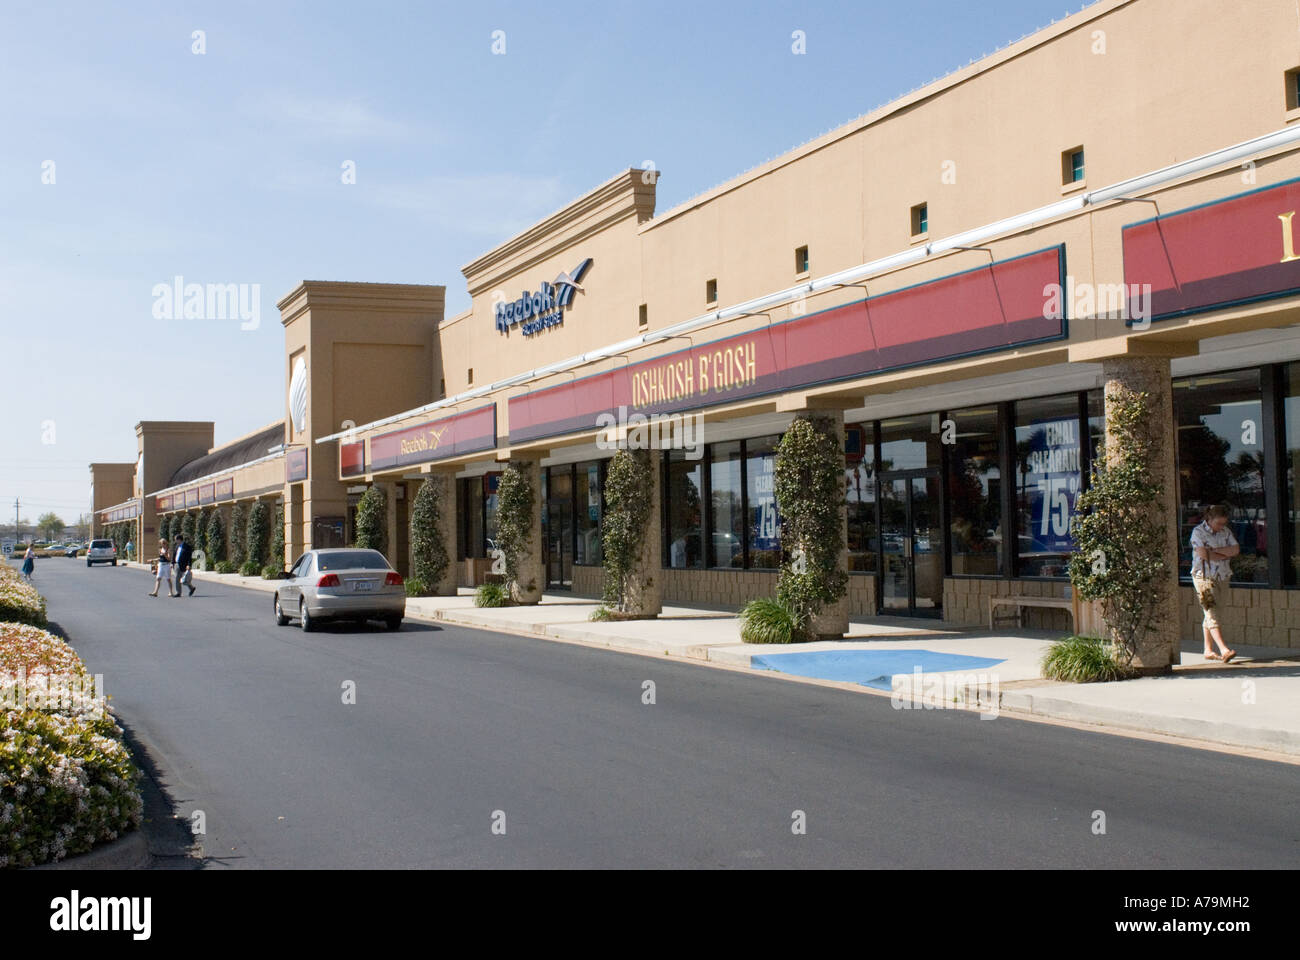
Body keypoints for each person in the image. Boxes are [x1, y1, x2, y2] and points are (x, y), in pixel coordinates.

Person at [1190, 504, 1239, 663]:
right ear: (1209, 519)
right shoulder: (1198, 532)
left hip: (1223, 575)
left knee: (1216, 611)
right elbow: (1203, 554)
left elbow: (1236, 550)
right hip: (1203, 577)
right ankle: (1224, 649)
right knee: (1210, 610)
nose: (1221, 527)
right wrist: (1225, 552)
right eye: (1218, 523)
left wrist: (1216, 553)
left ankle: (1208, 650)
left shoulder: (1226, 531)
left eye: (1223, 523)